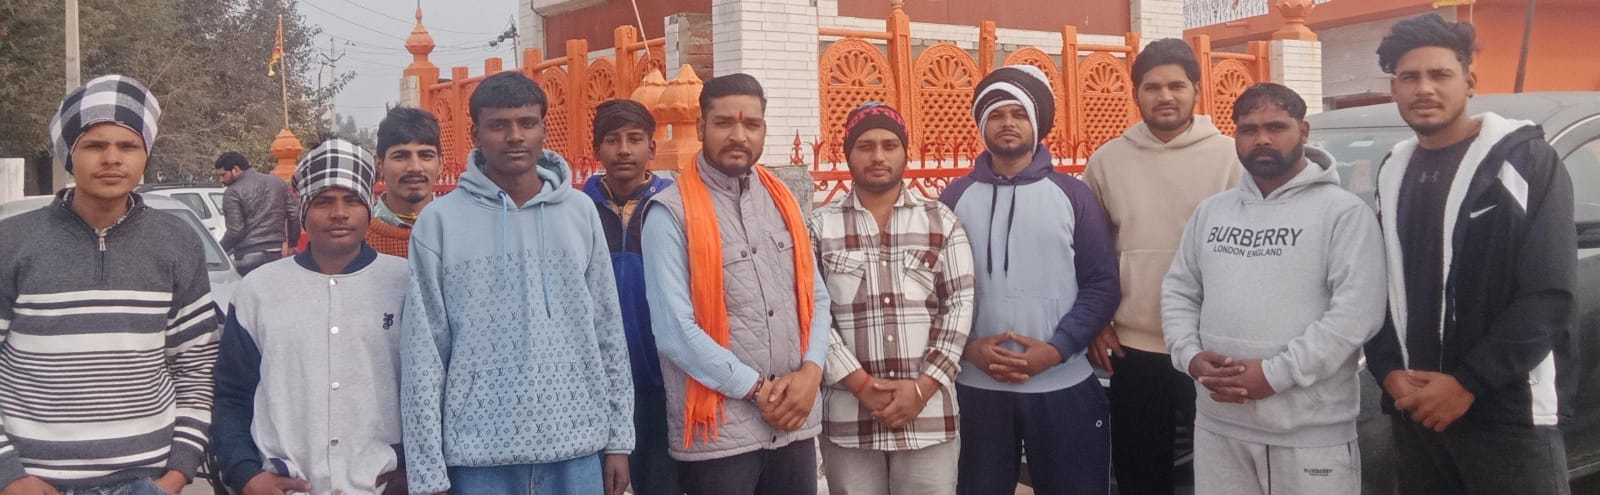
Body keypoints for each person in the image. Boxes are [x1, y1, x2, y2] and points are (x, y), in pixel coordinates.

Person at [1364, 14, 1577, 495]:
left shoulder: (1525, 160)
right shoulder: (1394, 170)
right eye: (1409, 77)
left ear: (1470, 81)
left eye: (1440, 74)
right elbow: (1381, 283)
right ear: (1394, 88)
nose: (1424, 88)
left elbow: (1549, 292)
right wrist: (1387, 370)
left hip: (1506, 414)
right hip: (1417, 411)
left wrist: (1467, 384)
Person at [400, 71, 634, 495]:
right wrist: (428, 472)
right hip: (477, 458)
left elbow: (607, 330)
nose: (514, 137)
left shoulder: (580, 212)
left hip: (576, 447)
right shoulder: (440, 222)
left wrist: (619, 439)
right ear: (475, 134)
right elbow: (424, 353)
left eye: (527, 123)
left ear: (544, 129)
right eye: (498, 125)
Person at [1162, 83, 1386, 495]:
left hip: (1310, 435)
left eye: (1276, 127)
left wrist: (1273, 375)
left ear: (1303, 131)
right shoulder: (1212, 212)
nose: (1262, 139)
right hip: (1218, 426)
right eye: (1248, 129)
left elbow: (1356, 314)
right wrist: (1190, 357)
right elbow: (1179, 291)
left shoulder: (1343, 213)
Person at [0, 75, 220, 494]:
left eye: (128, 146)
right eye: (94, 145)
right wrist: (8, 474)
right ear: (70, 155)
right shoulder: (11, 242)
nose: (112, 159)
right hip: (35, 482)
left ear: (146, 154)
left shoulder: (177, 242)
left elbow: (195, 365)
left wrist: (177, 473)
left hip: (145, 482)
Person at [640, 73, 832, 495]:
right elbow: (674, 331)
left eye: (752, 125)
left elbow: (815, 296)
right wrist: (757, 390)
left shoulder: (782, 200)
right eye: (724, 123)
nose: (739, 136)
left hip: (793, 423)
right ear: (700, 126)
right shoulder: (669, 214)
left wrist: (811, 372)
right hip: (719, 435)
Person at [938, 65, 1120, 495]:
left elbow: (1101, 284)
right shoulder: (954, 198)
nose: (1008, 123)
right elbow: (933, 288)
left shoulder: (1073, 196)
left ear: (1036, 123)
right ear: (981, 125)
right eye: (997, 115)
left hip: (1062, 382)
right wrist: (968, 348)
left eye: (1019, 114)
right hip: (974, 386)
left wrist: (1056, 349)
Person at [211, 139, 411, 495]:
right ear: (303, 210)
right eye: (324, 201)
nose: (339, 213)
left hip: (381, 484)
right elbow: (231, 394)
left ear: (369, 207)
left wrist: (412, 467)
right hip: (286, 485)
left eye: (352, 200)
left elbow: (430, 389)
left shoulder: (405, 283)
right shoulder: (258, 290)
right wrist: (246, 474)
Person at [810, 102, 975, 495]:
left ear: (905, 151)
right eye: (865, 146)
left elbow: (959, 306)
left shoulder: (941, 222)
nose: (878, 156)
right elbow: (812, 314)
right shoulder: (819, 227)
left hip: (928, 417)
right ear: (847, 153)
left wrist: (922, 388)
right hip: (849, 418)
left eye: (889, 145)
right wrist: (860, 383)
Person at [581, 99, 678, 495]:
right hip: (595, 383)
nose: (623, 150)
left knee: (661, 483)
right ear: (596, 149)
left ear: (651, 148)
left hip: (661, 379)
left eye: (635, 139)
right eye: (612, 140)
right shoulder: (577, 209)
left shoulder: (674, 206)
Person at [367, 107, 444, 257]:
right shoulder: (357, 237)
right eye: (400, 156)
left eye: (426, 155)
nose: (415, 168)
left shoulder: (460, 230)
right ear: (379, 165)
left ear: (440, 164)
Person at [216, 150, 299, 275]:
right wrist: (292, 244)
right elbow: (294, 214)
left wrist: (219, 251)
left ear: (235, 169)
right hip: (276, 253)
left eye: (223, 175)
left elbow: (235, 231)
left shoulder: (232, 192)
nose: (221, 180)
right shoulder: (278, 182)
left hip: (247, 255)